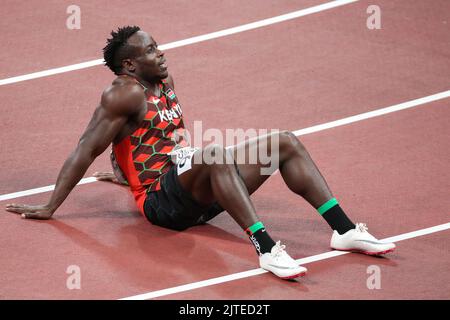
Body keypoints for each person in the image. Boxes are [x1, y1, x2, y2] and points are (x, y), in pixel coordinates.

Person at [5, 26, 395, 280]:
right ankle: (267, 249)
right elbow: (85, 149)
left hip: (196, 189)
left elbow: (148, 138)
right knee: (214, 153)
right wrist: (50, 205)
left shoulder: (163, 79)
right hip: (163, 204)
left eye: (157, 47)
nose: (161, 54)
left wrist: (123, 172)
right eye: (151, 50)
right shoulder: (122, 93)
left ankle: (344, 230)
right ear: (129, 64)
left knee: (285, 142)